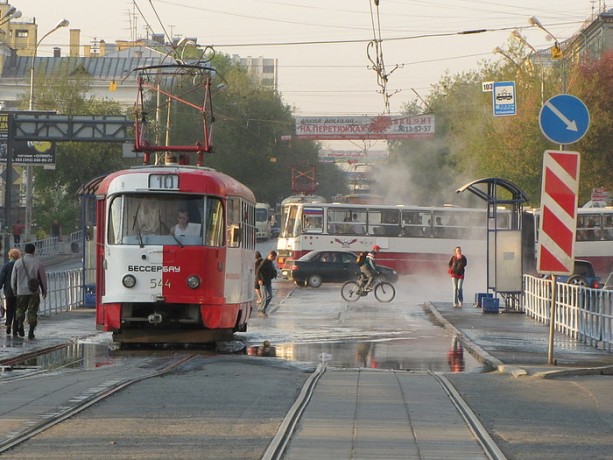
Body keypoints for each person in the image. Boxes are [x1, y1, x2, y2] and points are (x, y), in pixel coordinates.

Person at [11, 243, 47, 339]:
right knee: (32, 311)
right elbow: (42, 278)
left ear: (24, 251)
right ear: (34, 251)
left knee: (20, 309)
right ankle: (31, 331)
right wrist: (44, 291)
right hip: (34, 292)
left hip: (21, 291)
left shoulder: (18, 262)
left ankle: (20, 324)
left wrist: (14, 290)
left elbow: (13, 278)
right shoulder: (38, 262)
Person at [0, 248, 20, 335]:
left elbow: (1, 278)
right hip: (19, 291)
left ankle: (8, 324)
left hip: (8, 291)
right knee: (17, 309)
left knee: (9, 308)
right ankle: (15, 327)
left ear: (10, 256)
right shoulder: (20, 265)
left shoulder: (6, 266)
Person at [256, 250, 277, 316]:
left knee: (270, 296)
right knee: (264, 297)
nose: (274, 259)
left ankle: (262, 308)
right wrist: (259, 279)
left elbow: (272, 270)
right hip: (263, 282)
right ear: (271, 256)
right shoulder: (264, 262)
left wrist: (274, 274)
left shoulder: (270, 262)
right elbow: (257, 270)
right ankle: (261, 310)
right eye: (274, 258)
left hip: (268, 282)